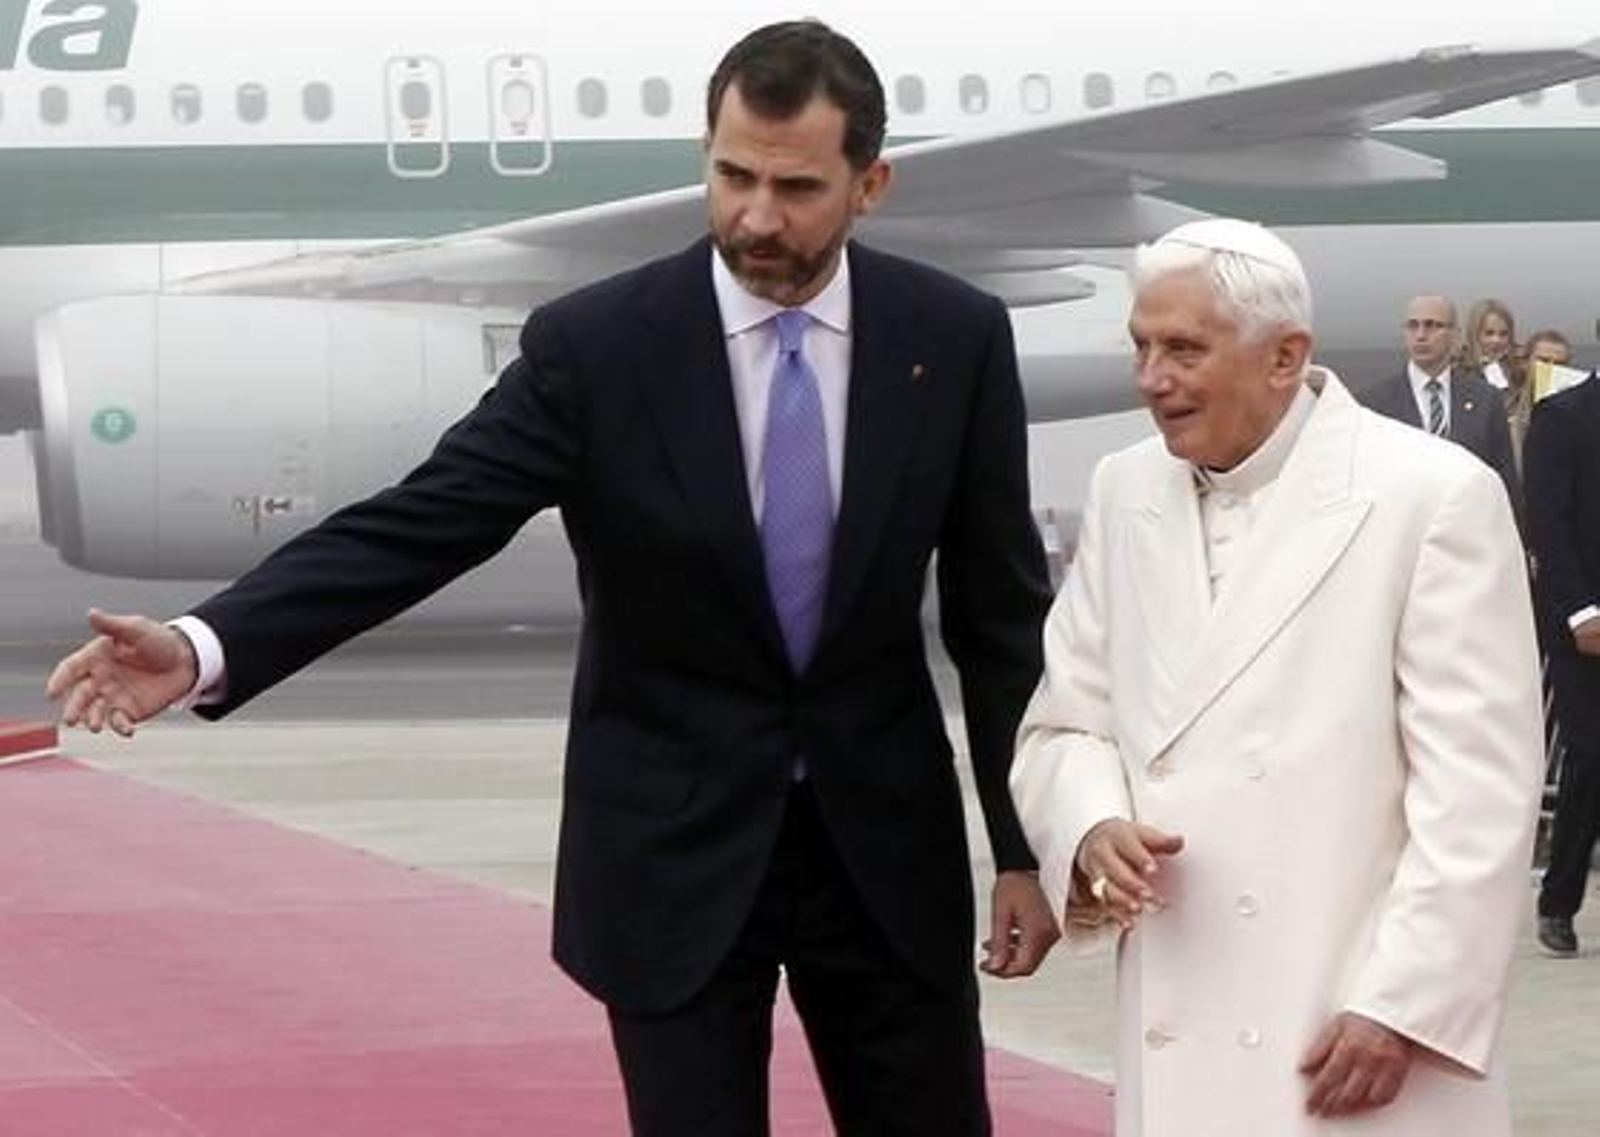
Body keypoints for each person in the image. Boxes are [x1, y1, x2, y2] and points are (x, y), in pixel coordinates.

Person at [45, 20, 1059, 1136]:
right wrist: (204, 645)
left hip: (884, 864)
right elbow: (422, 524)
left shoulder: (950, 340)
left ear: (870, 183)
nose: (755, 218)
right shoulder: (600, 347)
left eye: (795, 187)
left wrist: (1023, 849)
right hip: (670, 861)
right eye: (731, 176)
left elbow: (997, 617)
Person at [1009, 218, 1543, 1134]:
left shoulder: (1429, 495)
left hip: (1348, 1020)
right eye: (1141, 346)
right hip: (1183, 1001)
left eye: (1183, 349)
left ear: (1285, 356)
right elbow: (1065, 723)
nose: (1151, 379)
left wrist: (1405, 1004)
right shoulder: (1123, 489)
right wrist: (1091, 822)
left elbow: (1480, 788)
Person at [1525, 365, 1600, 957]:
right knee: (1592, 756)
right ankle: (1559, 901)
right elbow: (1547, 524)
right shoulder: (1562, 418)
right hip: (1586, 622)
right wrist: (1579, 611)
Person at [1359, 294, 1522, 516]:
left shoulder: (1486, 400)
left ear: (1455, 335)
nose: (1421, 335)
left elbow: (1505, 482)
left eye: (1432, 326)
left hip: (1468, 530)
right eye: (1412, 326)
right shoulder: (1374, 403)